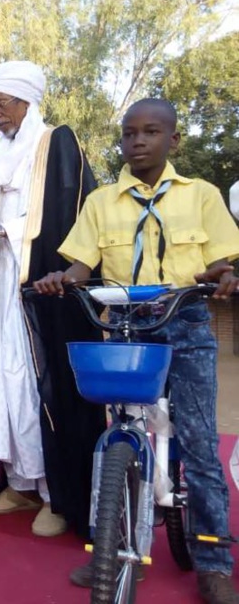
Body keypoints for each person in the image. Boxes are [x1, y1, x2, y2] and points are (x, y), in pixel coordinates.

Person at [34, 98, 239, 604]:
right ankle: (119, 546)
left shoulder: (202, 196)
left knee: (199, 445)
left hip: (186, 323)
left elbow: (221, 261)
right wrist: (65, 277)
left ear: (174, 140)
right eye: (129, 133)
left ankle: (213, 563)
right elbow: (82, 264)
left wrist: (226, 274)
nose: (137, 141)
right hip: (127, 329)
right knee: (122, 435)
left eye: (150, 132)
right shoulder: (102, 201)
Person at [0, 60, 103, 538]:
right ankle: (18, 483)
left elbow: (66, 218)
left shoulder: (57, 142)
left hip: (34, 292)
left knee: (36, 385)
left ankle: (57, 492)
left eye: (3, 103)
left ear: (26, 99)